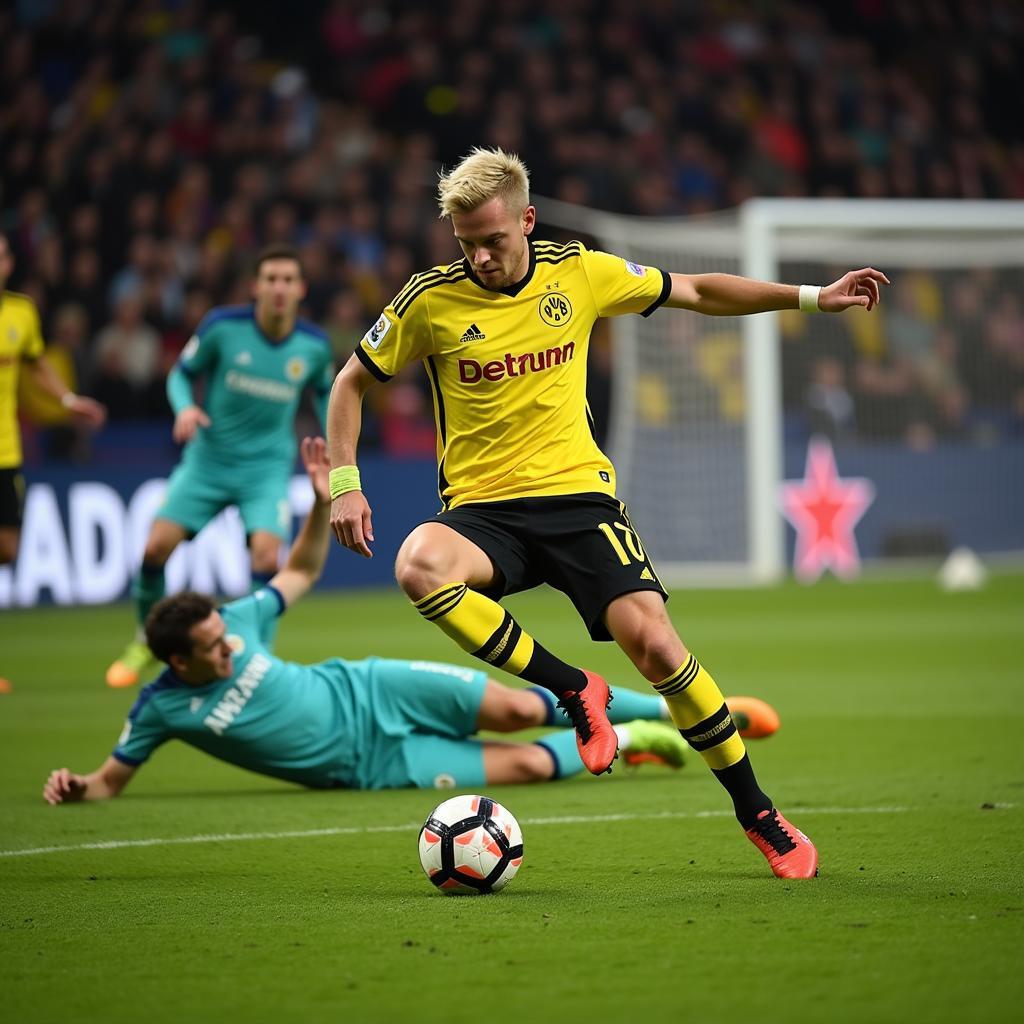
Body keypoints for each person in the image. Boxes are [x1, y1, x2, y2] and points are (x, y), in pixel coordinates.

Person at [327, 147, 890, 879]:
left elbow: (696, 291)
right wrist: (346, 482)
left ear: (527, 221)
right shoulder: (428, 300)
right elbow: (349, 385)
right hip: (483, 512)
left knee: (656, 648)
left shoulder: (580, 273)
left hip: (578, 501)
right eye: (467, 245)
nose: (482, 258)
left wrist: (813, 297)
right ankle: (572, 687)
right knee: (418, 566)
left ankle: (759, 813)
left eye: (494, 241)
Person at [43, 438, 779, 803]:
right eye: (211, 649)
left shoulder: (240, 619)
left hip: (375, 689)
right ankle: (640, 739)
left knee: (525, 704)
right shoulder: (161, 708)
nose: (229, 646)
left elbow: (296, 572)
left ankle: (679, 714)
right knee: (524, 763)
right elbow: (109, 782)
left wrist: (314, 500)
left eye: (222, 633)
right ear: (179, 666)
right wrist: (79, 785)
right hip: (370, 765)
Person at [105, 244, 335, 689]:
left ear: (302, 288)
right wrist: (184, 409)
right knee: (154, 549)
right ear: (255, 286)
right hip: (208, 461)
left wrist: (335, 437)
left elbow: (326, 393)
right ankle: (145, 642)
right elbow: (180, 373)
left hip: (266, 468)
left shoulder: (314, 345)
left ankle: (256, 654)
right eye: (271, 279)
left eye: (288, 279)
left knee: (268, 557)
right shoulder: (222, 327)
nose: (279, 288)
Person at [0, 233, 106, 566]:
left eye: (2, 256)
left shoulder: (22, 312)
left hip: (6, 448)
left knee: (8, 549)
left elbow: (37, 364)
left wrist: (68, 399)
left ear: (9, 264)